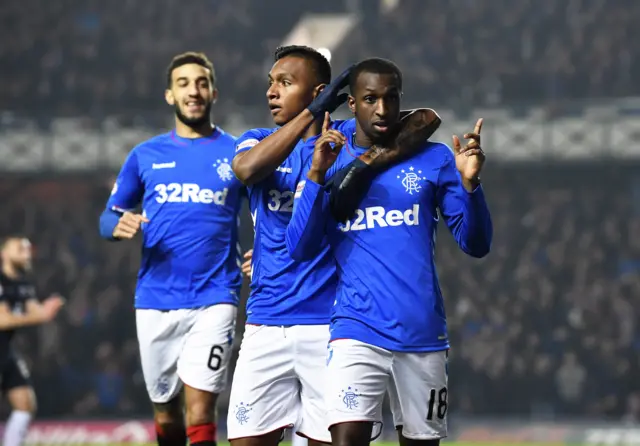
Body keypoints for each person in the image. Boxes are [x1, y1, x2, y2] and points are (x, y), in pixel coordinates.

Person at [286, 57, 493, 446]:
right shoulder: (324, 154)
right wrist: (315, 175)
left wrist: (470, 186)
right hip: (355, 328)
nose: (382, 109)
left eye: (391, 98)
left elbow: (475, 243)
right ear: (352, 103)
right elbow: (298, 248)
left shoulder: (435, 159)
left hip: (422, 333)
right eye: (370, 99)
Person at [98, 52, 247, 446]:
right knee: (166, 412)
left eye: (200, 83)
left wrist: (267, 252)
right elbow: (106, 218)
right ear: (170, 95)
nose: (193, 91)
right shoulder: (145, 155)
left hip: (216, 296)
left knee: (200, 411)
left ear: (213, 92)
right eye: (183, 83)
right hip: (155, 299)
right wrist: (118, 224)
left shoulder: (237, 153)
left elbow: (269, 212)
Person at [227, 45, 353, 446]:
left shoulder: (346, 144)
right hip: (266, 321)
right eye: (270, 83)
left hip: (329, 324)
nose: (271, 91)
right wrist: (311, 113)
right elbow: (246, 171)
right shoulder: (256, 141)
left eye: (285, 82)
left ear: (317, 91)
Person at [0, 236, 64, 446]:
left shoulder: (23, 283)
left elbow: (35, 311)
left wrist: (46, 310)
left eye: (28, 249)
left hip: (5, 350)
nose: (26, 252)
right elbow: (3, 319)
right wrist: (42, 315)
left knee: (25, 403)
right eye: (20, 248)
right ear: (4, 254)